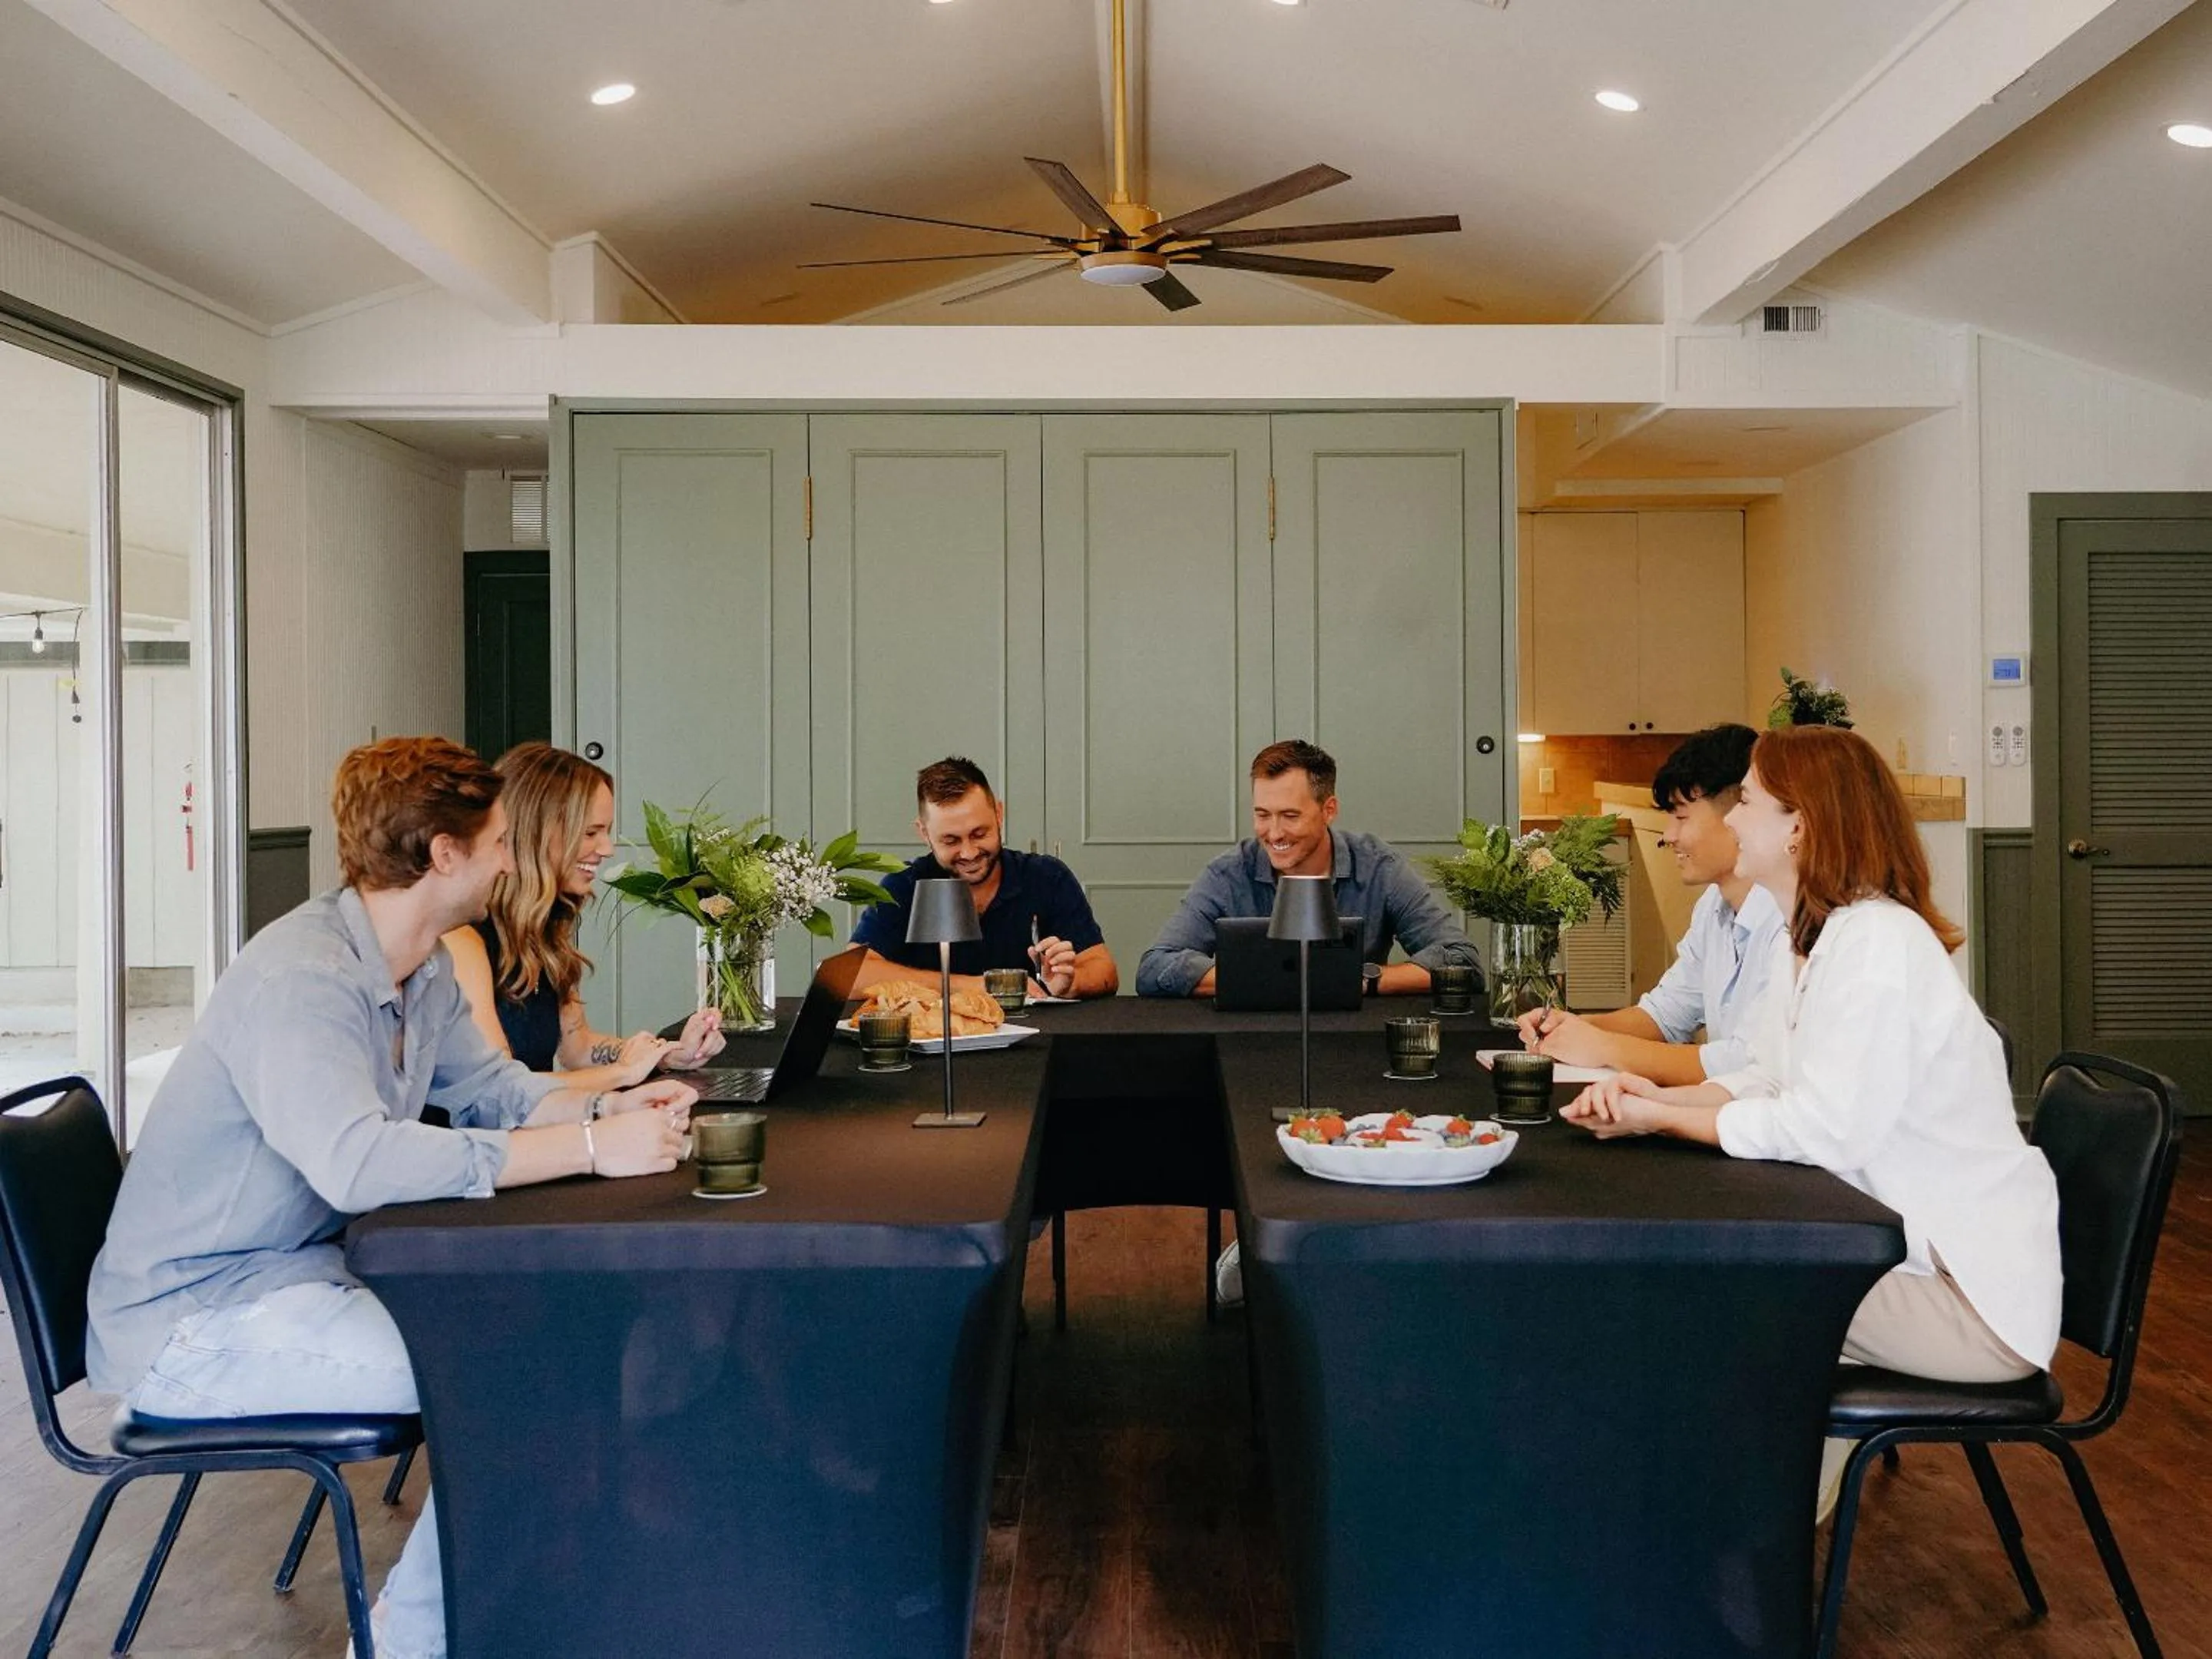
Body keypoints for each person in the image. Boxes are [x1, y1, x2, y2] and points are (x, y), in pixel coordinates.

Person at [85, 737, 698, 1659]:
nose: (510, 855)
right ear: (443, 855)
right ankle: (413, 1646)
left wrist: (614, 1101)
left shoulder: (423, 969)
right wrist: (585, 1147)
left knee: (560, 1333)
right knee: (510, 1372)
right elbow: (358, 1165)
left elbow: (493, 1089)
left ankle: (523, 1609)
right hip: (192, 1325)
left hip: (301, 1279)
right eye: (495, 839)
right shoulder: (303, 979)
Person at [1559, 725, 2061, 1519]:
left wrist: (1668, 1117)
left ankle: (1726, 1535)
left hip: (1967, 1302)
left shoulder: (1876, 946)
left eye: (1750, 800)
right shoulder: (1825, 940)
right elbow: (1762, 1076)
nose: (1735, 816)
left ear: (1799, 826)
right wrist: (1651, 1104)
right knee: (1705, 1288)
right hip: (1914, 1267)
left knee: (1704, 1296)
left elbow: (1825, 1127)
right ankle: (1728, 1528)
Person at [1515, 724, 1783, 1084]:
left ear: (1739, 811)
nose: (1669, 836)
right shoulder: (1714, 906)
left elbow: (1745, 1064)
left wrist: (1604, 1046)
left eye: (1681, 817)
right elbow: (1665, 1015)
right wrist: (1572, 1026)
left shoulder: (1789, 920)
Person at [444, 743, 724, 1086]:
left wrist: (664, 1055)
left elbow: (576, 1047)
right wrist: (621, 1073)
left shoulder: (544, 924)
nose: (606, 849)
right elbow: (502, 1091)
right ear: (535, 832)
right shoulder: (462, 940)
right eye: (591, 833)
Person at [1137, 739, 1481, 998]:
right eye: (1262, 815)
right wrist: (1280, 977)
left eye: (1290, 816)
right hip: (1250, 1044)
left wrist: (1357, 979)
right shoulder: (1227, 873)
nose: (1273, 834)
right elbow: (1155, 968)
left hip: (1355, 1046)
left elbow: (1462, 962)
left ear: (1328, 809)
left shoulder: (1380, 867)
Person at [850, 756, 1118, 999]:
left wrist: (1069, 983)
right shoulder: (905, 884)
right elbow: (851, 977)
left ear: (999, 814)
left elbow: (1103, 969)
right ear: (924, 833)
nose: (968, 853)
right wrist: (970, 986)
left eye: (980, 834)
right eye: (951, 840)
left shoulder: (1047, 876)